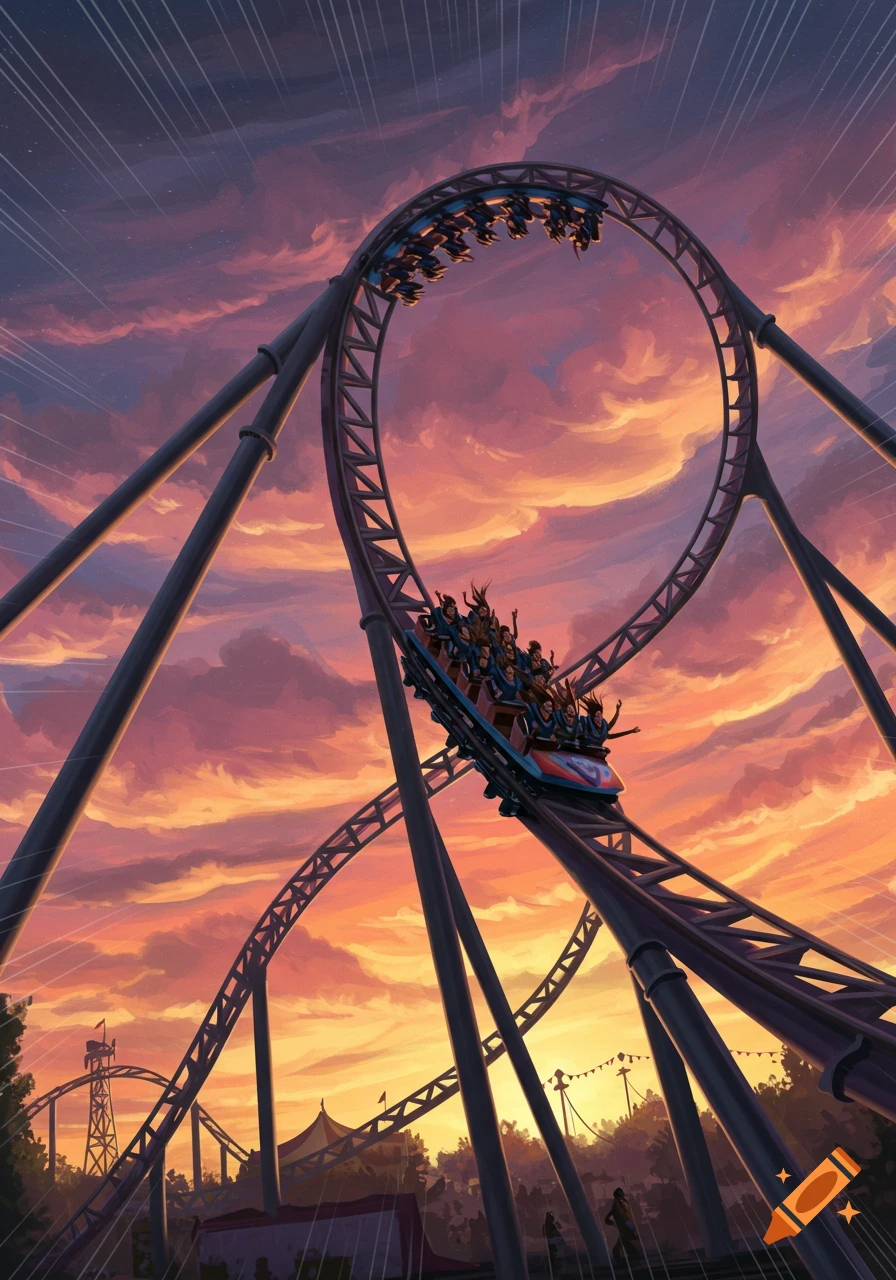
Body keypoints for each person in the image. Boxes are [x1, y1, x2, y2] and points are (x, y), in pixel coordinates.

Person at [605, 1187, 641, 1263]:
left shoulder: (618, 1203)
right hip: (624, 1227)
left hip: (623, 1227)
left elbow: (608, 1218)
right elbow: (625, 1216)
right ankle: (633, 1256)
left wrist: (613, 1223)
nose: (623, 1194)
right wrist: (631, 1226)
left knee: (623, 1242)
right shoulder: (620, 1203)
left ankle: (632, 1256)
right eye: (621, 1192)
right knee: (623, 1242)